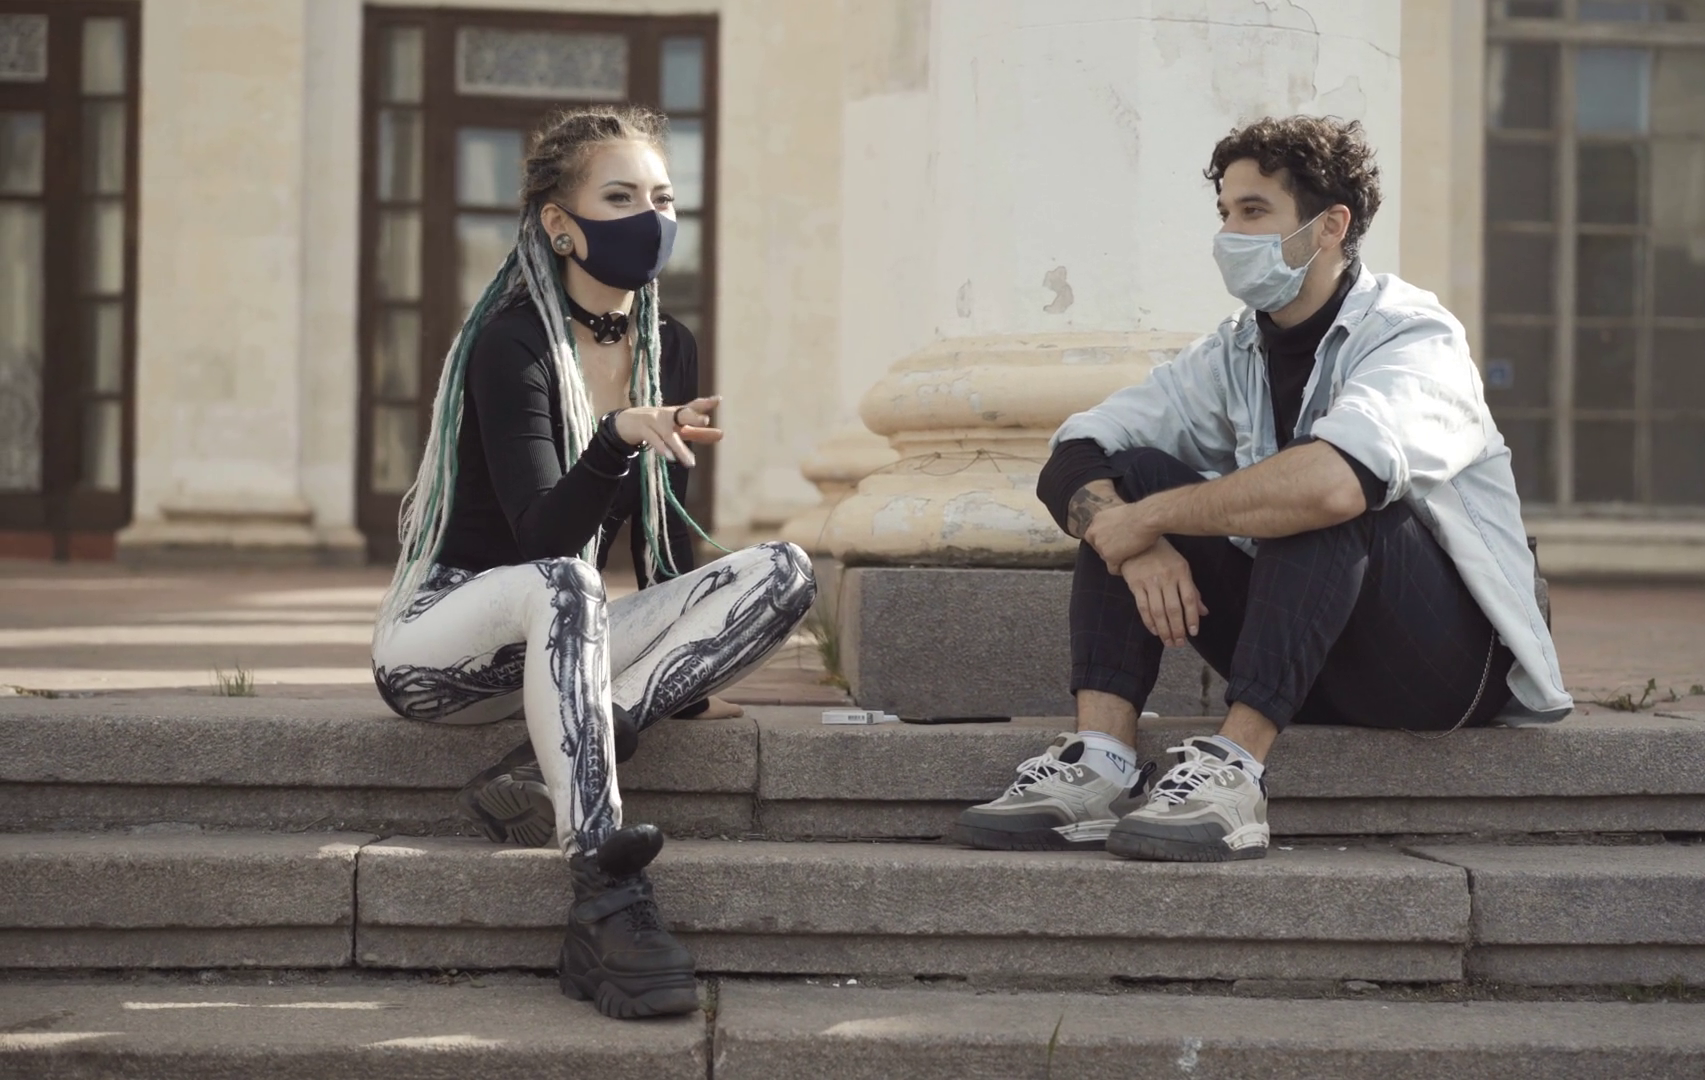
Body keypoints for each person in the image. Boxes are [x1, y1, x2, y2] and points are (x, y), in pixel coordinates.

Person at [952, 116, 1571, 863]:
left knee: (1321, 486)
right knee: (1134, 472)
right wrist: (1137, 541)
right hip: (1312, 654)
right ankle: (1100, 766)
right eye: (1224, 213)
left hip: (1443, 669)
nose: (1229, 235)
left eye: (1253, 212)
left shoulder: (1414, 337)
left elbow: (1334, 486)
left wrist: (1149, 519)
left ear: (1330, 226)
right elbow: (1076, 450)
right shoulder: (1234, 350)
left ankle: (1235, 773)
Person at [370, 105, 815, 1019]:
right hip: (444, 646)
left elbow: (662, 540)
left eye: (663, 197)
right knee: (567, 578)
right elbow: (544, 536)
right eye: (620, 197)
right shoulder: (513, 343)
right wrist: (614, 438)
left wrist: (683, 674)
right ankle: (604, 893)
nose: (650, 217)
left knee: (784, 569)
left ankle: (560, 756)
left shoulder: (667, 345)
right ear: (560, 225)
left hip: (564, 650)